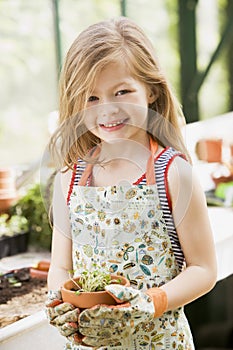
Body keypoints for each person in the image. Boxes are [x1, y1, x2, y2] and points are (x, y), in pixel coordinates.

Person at [45, 17, 217, 350]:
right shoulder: (69, 177)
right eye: (91, 98)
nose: (107, 109)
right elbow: (61, 266)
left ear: (151, 90)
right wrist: (60, 303)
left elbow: (204, 269)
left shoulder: (173, 174)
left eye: (122, 91)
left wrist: (151, 302)